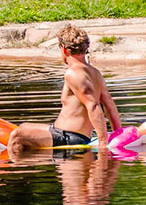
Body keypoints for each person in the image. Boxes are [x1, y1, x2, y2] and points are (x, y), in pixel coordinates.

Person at [7, 24, 122, 154]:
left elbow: (94, 106)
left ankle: (11, 166)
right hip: (60, 131)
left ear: (64, 49)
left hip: (70, 138)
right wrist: (120, 134)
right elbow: (109, 106)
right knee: (24, 127)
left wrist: (103, 143)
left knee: (17, 136)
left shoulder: (73, 74)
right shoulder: (95, 73)